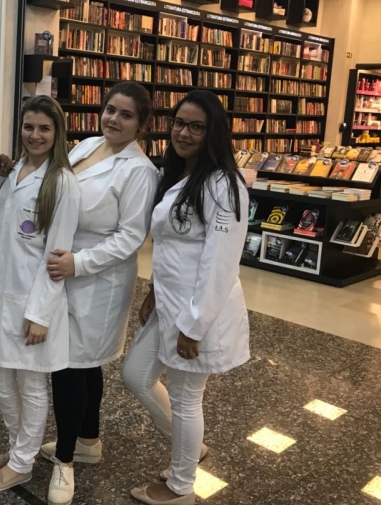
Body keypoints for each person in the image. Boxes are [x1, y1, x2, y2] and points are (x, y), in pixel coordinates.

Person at [123, 90, 250, 505]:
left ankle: (180, 487)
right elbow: (171, 247)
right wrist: (153, 293)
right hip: (169, 304)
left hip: (198, 313)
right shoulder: (178, 175)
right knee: (136, 375)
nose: (184, 133)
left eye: (197, 127)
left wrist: (194, 327)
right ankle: (191, 449)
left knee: (185, 397)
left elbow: (220, 264)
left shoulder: (225, 185)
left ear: (214, 133)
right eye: (179, 123)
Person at [39, 82, 159, 505]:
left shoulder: (140, 171)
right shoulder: (87, 145)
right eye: (110, 109)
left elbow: (131, 236)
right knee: (85, 363)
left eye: (126, 115)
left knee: (70, 365)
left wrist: (80, 262)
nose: (114, 119)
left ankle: (65, 461)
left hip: (97, 277)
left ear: (142, 125)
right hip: (66, 266)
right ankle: (88, 440)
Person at [0, 96, 80, 494]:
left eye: (44, 128)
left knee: (32, 386)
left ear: (57, 133)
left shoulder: (62, 182)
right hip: (0, 294)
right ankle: (20, 448)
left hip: (31, 302)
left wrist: (40, 313)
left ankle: (21, 464)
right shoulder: (16, 169)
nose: (35, 135)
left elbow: (56, 256)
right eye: (28, 127)